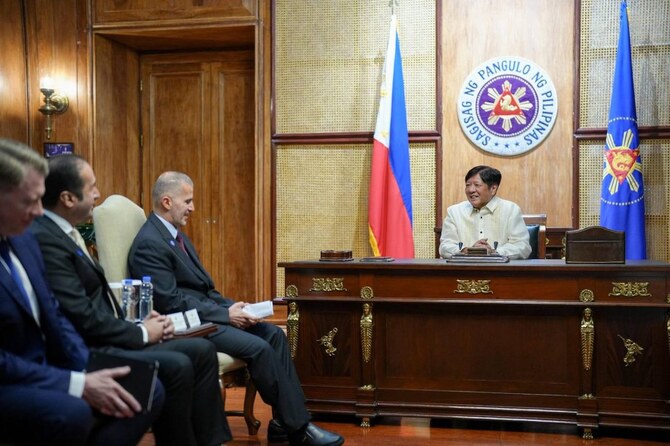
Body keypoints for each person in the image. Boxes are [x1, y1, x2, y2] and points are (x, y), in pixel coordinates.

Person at [129, 171, 345, 446]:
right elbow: (171, 302)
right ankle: (299, 429)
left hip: (207, 314)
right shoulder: (149, 243)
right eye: (188, 201)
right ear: (167, 202)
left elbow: (203, 289)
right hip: (187, 324)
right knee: (259, 348)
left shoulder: (173, 236)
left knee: (274, 335)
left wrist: (234, 306)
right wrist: (225, 315)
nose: (193, 208)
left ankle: (281, 423)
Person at [30, 155, 232, 446]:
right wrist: (139, 332)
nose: (98, 194)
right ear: (68, 198)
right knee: (177, 366)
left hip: (113, 330)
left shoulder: (66, 233)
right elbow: (80, 314)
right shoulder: (47, 239)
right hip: (93, 347)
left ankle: (213, 442)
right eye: (92, 187)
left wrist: (137, 323)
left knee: (200, 351)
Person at [0, 138, 164, 446]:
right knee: (74, 410)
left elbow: (55, 315)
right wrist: (77, 383)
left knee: (146, 387)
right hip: (10, 381)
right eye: (28, 201)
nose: (39, 213)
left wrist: (87, 365)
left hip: (49, 366)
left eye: (40, 199)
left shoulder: (23, 241)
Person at [439, 165, 531, 259]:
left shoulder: (511, 210)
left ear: (493, 189)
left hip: (500, 271)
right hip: (464, 270)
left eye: (477, 185)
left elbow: (522, 247)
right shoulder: (454, 212)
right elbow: (445, 246)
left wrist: (494, 252)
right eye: (468, 185)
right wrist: (465, 251)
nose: (471, 190)